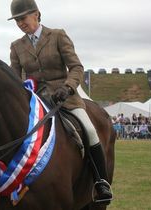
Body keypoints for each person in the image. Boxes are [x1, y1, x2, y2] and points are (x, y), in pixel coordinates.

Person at [8, 0, 112, 204]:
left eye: (23, 18)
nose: (20, 23)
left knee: (90, 130)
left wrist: (68, 87)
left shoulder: (57, 35)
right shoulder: (16, 46)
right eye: (17, 20)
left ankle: (101, 181)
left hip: (65, 98)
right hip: (35, 101)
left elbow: (76, 67)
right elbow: (14, 79)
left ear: (36, 14)